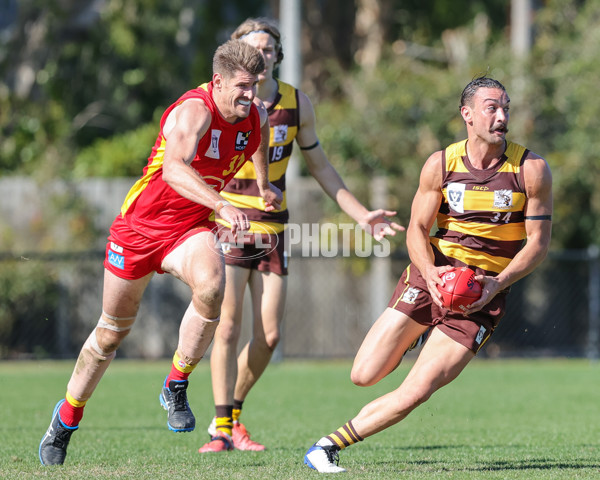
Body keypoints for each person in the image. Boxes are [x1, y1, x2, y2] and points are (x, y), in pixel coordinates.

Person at [38, 39, 282, 466]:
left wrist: (262, 185)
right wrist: (223, 204)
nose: (251, 95)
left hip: (188, 230)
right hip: (137, 231)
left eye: (255, 85)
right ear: (218, 81)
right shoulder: (195, 111)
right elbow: (173, 169)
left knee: (212, 285)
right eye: (242, 86)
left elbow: (258, 138)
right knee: (111, 332)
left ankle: (176, 383)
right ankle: (66, 417)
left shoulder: (254, 113)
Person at [303, 75, 553, 473]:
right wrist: (431, 273)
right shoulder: (441, 164)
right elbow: (418, 231)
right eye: (492, 107)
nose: (502, 115)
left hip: (482, 296)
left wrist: (497, 284)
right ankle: (418, 335)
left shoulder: (531, 168)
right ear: (467, 114)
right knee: (363, 375)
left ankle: (326, 447)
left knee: (417, 390)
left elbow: (537, 244)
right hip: (430, 276)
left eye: (506, 107)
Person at [197, 17, 405, 453]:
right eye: (254, 48)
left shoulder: (295, 103)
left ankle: (233, 412)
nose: (263, 55)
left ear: (278, 55)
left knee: (270, 335)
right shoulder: (219, 98)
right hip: (231, 221)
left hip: (273, 227)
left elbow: (321, 168)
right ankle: (220, 428)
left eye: (270, 49)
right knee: (228, 325)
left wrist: (362, 214)